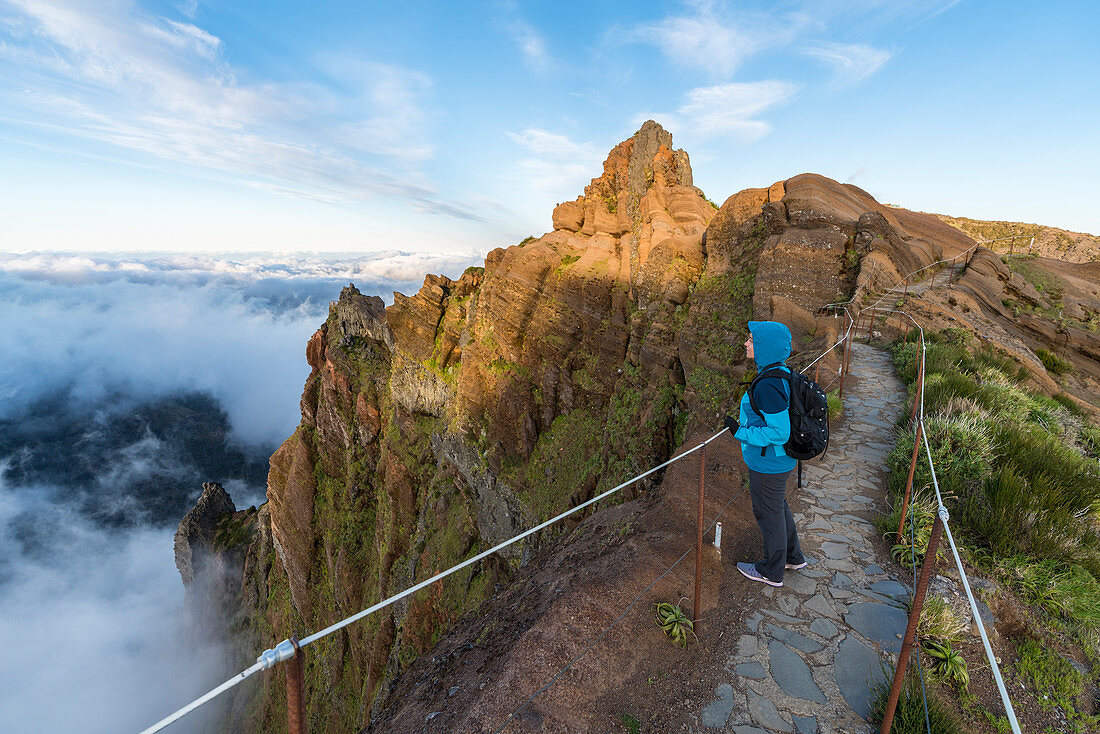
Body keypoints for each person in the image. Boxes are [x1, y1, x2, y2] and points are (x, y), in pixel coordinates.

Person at [723, 321, 806, 587]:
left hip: (770, 461)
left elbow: (779, 432)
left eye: (751, 340)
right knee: (777, 506)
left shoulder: (768, 385)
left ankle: (772, 571)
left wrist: (740, 433)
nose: (746, 344)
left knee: (768, 513)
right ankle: (793, 556)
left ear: (765, 348)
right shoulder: (778, 372)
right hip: (778, 460)